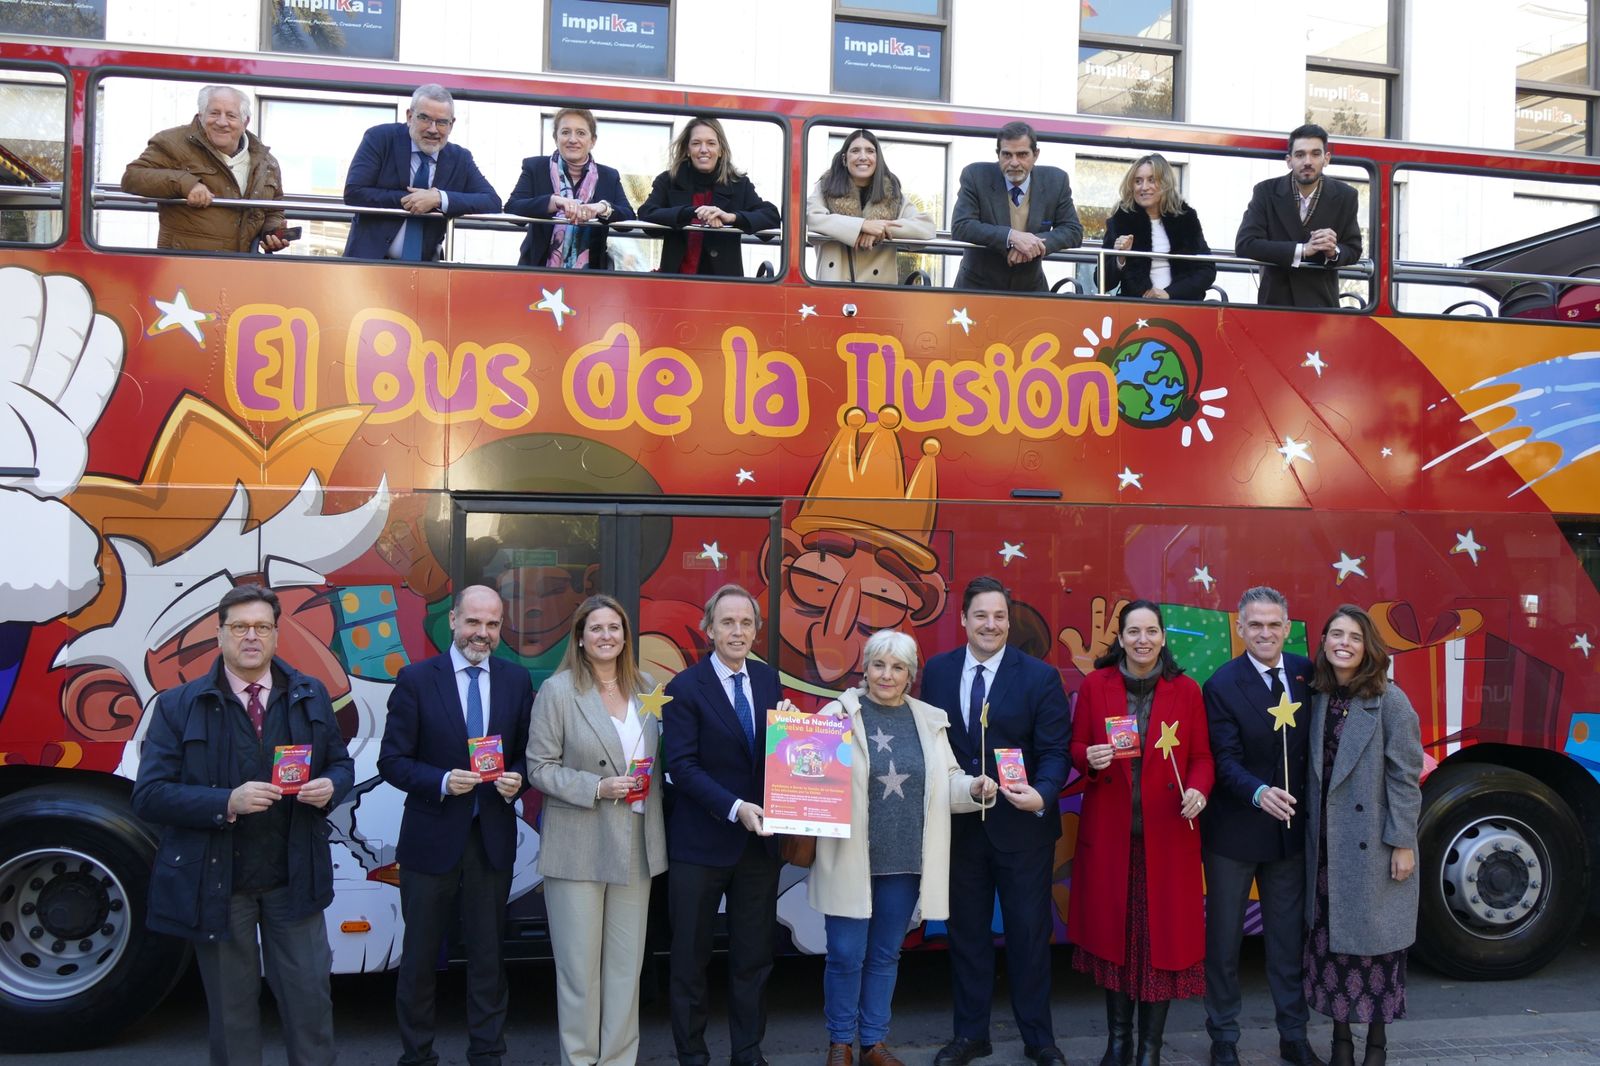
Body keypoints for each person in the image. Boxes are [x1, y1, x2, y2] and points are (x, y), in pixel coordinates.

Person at [131, 584, 354, 1066]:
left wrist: (331, 786)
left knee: (310, 1006)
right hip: (219, 883)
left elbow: (340, 763)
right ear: (220, 634)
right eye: (239, 627)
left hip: (294, 878)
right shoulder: (177, 706)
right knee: (232, 1019)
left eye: (262, 627)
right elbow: (148, 795)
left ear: (276, 634)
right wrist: (225, 801)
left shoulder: (309, 693)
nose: (251, 637)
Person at [812, 629, 992, 1066]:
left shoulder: (928, 719)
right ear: (866, 668)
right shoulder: (837, 714)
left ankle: (873, 1042)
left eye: (897, 668)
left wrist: (976, 788)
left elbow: (947, 782)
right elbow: (808, 772)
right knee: (845, 955)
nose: (886, 675)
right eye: (878, 665)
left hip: (906, 861)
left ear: (910, 675)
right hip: (850, 858)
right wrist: (788, 735)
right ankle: (840, 1043)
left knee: (884, 955)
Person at [378, 584, 533, 1066]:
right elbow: (392, 761)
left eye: (491, 625)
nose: (482, 633)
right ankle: (417, 1055)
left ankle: (488, 1052)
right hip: (431, 838)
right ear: (453, 621)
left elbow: (529, 753)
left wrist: (519, 779)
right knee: (421, 957)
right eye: (473, 622)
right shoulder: (417, 679)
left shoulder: (516, 680)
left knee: (489, 956)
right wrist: (443, 780)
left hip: (491, 839)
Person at [922, 576, 1073, 1066]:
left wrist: (1044, 794)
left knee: (1029, 936)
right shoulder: (938, 672)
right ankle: (971, 1035)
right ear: (963, 619)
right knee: (966, 937)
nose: (991, 624)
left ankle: (1038, 1038)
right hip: (962, 829)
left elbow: (1054, 752)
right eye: (982, 615)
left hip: (1023, 829)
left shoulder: (1039, 677)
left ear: (1010, 622)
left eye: (1000, 616)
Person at [1070, 601, 1215, 1066]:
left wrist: (1198, 789)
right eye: (1134, 631)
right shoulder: (1097, 685)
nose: (1143, 640)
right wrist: (1087, 758)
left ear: (1162, 637)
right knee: (1117, 947)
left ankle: (1149, 1049)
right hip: (1112, 839)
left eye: (1151, 631)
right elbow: (1074, 745)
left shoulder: (1186, 690)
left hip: (1167, 839)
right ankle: (1118, 1044)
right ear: (1122, 637)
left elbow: (1202, 758)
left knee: (1160, 948)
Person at [527, 594, 667, 1066]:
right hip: (579, 845)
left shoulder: (647, 686)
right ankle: (581, 1060)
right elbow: (539, 768)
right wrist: (599, 786)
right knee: (579, 972)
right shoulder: (559, 691)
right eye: (596, 629)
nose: (606, 636)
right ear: (581, 640)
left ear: (626, 637)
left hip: (636, 844)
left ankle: (618, 1060)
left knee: (626, 971)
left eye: (615, 628)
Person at [662, 584, 794, 1066]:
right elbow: (682, 767)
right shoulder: (684, 687)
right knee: (690, 961)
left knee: (753, 959)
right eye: (727, 623)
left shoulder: (767, 680)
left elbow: (773, 757)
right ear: (709, 629)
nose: (737, 632)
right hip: (699, 845)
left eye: (746, 623)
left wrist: (791, 732)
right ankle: (692, 1055)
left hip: (758, 848)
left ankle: (748, 1052)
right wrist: (735, 806)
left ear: (756, 631)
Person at [1201, 587, 1324, 1066]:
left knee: (1288, 940)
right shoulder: (1222, 685)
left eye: (1274, 624)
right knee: (1225, 943)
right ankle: (1224, 1038)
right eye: (1255, 625)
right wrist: (1257, 791)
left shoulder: (1306, 673)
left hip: (1290, 834)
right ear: (1240, 628)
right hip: (1235, 833)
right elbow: (1223, 760)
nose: (1265, 633)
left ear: (1288, 625)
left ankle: (1293, 1036)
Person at [1304, 606, 1422, 1066]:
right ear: (1325, 641)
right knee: (1333, 950)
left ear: (1368, 646)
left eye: (1354, 636)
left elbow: (1404, 776)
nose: (1344, 643)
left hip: (1373, 848)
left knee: (1374, 952)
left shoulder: (1390, 700)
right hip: (1326, 850)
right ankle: (1340, 1045)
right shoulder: (1316, 698)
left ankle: (1376, 1047)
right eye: (1336, 634)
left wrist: (1404, 842)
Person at [343, 83, 502, 262]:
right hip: (367, 264)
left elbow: (492, 201)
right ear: (410, 117)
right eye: (425, 118)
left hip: (426, 271)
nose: (433, 129)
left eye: (442, 122)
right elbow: (354, 192)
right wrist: (413, 201)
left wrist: (439, 199)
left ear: (452, 124)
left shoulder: (460, 158)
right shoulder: (380, 138)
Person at [121, 84, 288, 253]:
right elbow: (132, 177)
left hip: (242, 269)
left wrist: (272, 233)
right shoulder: (172, 142)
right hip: (185, 267)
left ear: (245, 121)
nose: (222, 122)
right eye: (214, 113)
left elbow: (274, 210)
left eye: (231, 115)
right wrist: (185, 184)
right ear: (201, 115)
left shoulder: (266, 162)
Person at [1234, 123, 1363, 308]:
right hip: (1275, 303)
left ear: (1326, 159)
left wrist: (1333, 252)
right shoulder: (1265, 192)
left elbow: (1354, 249)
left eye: (1315, 154)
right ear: (1289, 160)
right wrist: (1302, 250)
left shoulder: (1346, 195)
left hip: (1322, 305)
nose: (1308, 161)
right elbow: (1245, 244)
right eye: (1300, 154)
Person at [639, 115, 780, 277]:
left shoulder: (738, 184)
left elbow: (771, 216)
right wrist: (692, 212)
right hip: (675, 283)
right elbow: (646, 214)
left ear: (721, 150)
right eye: (696, 143)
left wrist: (731, 218)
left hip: (723, 288)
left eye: (711, 143)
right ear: (687, 149)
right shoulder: (668, 180)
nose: (703, 149)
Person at [951, 120, 1082, 292]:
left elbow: (1073, 231)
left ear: (1036, 155)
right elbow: (961, 226)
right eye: (1007, 155)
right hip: (978, 288)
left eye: (1022, 155)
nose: (1014, 162)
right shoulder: (975, 176)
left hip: (1030, 289)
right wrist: (1011, 237)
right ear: (998, 155)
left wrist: (1032, 244)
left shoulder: (1056, 181)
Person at [506, 107, 637, 270]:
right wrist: (552, 202)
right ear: (556, 138)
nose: (572, 139)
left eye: (581, 133)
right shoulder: (535, 167)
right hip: (537, 272)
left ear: (593, 141)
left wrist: (602, 208)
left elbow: (629, 218)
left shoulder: (609, 176)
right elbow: (512, 208)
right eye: (566, 132)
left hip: (592, 278)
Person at [806, 129, 935, 284]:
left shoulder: (892, 194)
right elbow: (812, 218)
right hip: (834, 287)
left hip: (878, 293)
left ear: (877, 159)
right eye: (855, 151)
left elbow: (926, 228)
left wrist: (882, 229)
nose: (863, 157)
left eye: (870, 151)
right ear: (844, 159)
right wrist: (862, 226)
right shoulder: (825, 187)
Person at [1099, 153, 1216, 301]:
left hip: (1182, 306)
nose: (1144, 187)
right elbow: (1102, 282)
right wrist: (1120, 258)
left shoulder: (1186, 218)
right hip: (1135, 309)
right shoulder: (1120, 221)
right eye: (1138, 181)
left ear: (1165, 184)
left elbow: (1207, 270)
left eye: (1152, 180)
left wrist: (1170, 293)